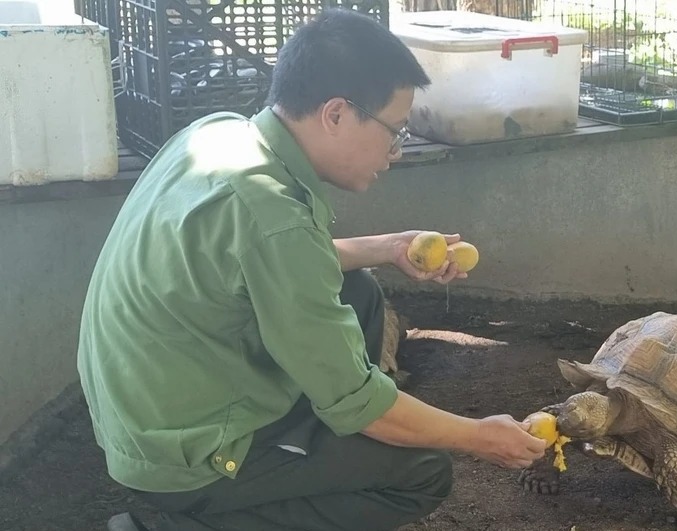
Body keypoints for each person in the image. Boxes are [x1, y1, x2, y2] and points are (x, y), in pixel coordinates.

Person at [79, 8, 547, 531]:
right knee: (421, 472)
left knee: (359, 291)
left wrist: (392, 246)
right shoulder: (272, 215)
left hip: (148, 412)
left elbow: (273, 260)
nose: (395, 152)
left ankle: (305, 450)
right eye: (394, 131)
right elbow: (362, 401)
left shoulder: (220, 135)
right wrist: (480, 435)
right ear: (336, 114)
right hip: (188, 458)